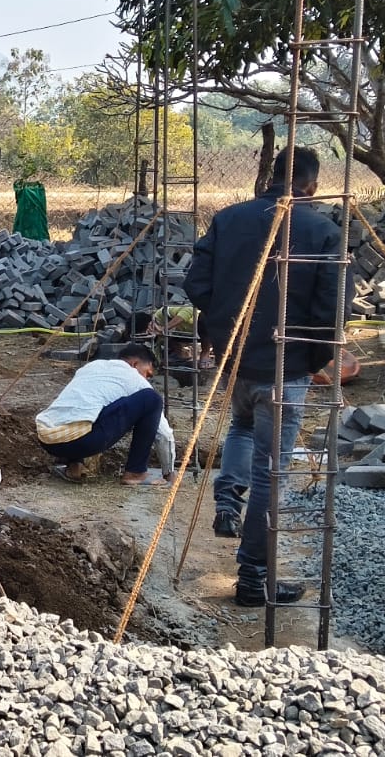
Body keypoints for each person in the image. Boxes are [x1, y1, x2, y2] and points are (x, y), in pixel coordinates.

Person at [185, 146, 341, 607]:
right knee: (272, 473)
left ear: (271, 176)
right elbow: (331, 311)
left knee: (242, 424)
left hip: (236, 360)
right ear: (313, 185)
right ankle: (254, 580)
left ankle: (227, 503)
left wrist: (223, 332)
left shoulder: (229, 219)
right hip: (284, 368)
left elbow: (196, 285)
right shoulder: (324, 231)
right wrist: (311, 362)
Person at [36, 343, 176, 485]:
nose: (147, 379)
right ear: (134, 364)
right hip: (82, 441)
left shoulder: (91, 367)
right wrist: (169, 472)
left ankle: (75, 466)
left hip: (48, 439)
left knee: (87, 408)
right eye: (147, 374)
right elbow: (163, 434)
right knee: (152, 399)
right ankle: (135, 473)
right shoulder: (135, 378)